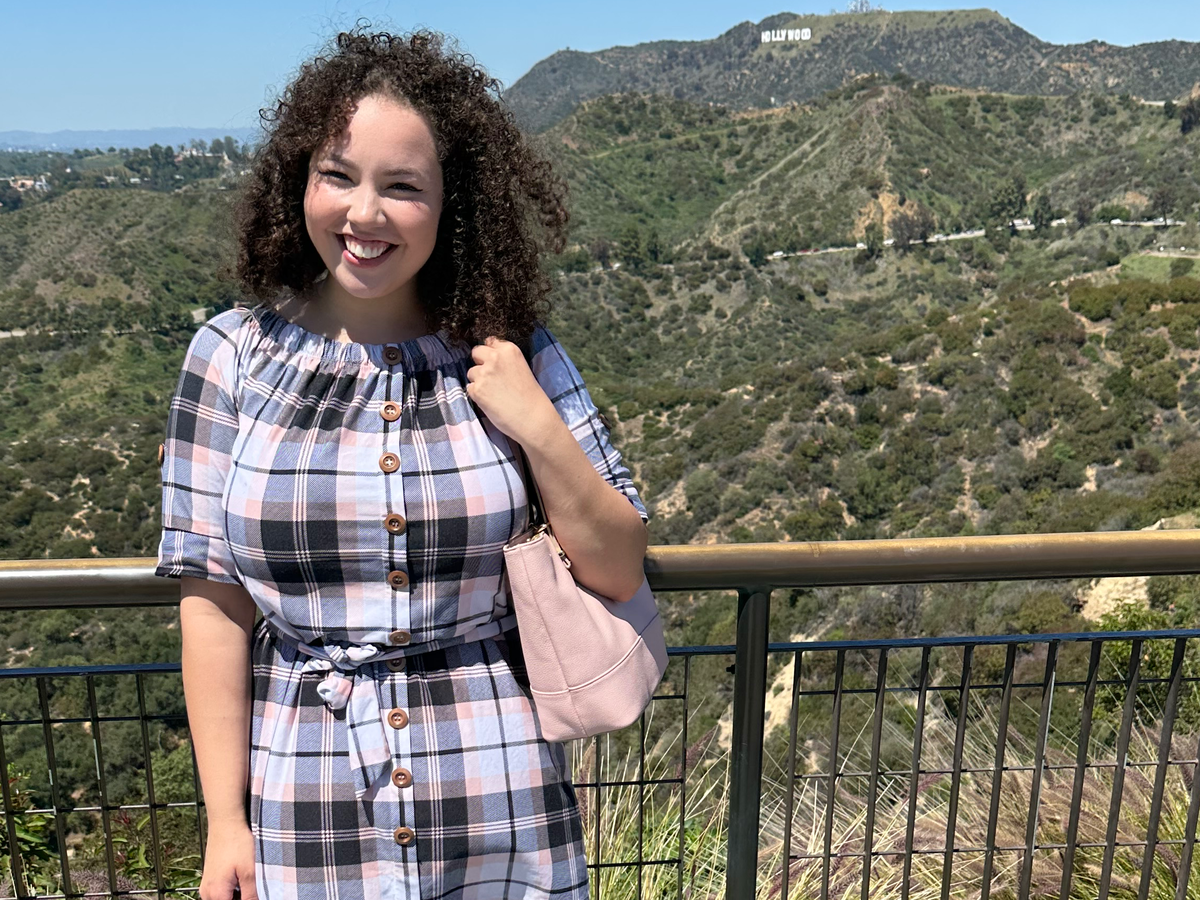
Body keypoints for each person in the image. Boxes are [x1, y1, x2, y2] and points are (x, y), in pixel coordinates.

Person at [155, 29, 649, 900]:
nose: (364, 213)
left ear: (452, 204)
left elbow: (617, 564)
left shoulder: (515, 350)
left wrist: (537, 425)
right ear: (299, 181)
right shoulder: (230, 357)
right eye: (338, 175)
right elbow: (214, 606)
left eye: (403, 187)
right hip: (305, 799)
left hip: (501, 799)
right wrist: (225, 822)